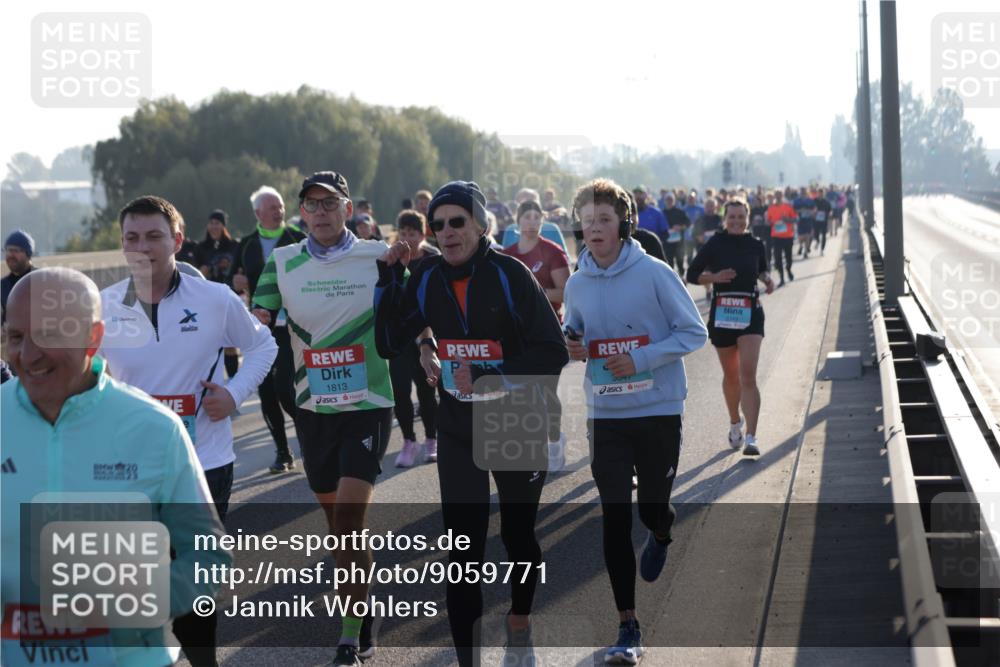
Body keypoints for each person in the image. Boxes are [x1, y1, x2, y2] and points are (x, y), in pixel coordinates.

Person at [375, 180, 568, 667]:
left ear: (481, 226)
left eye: (457, 222)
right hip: (459, 423)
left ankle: (519, 618)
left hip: (514, 415)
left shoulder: (511, 274)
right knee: (463, 551)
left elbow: (552, 352)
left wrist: (487, 373)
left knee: (518, 536)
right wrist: (387, 280)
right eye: (438, 225)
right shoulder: (424, 276)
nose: (446, 232)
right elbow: (386, 341)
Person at [1, 267, 231, 667]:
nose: (28, 355)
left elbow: (208, 557)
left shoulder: (154, 428)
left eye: (48, 335)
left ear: (93, 338)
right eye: (16, 337)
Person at [99, 195, 277, 667]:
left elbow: (264, 347)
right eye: (132, 237)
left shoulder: (214, 299)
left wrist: (234, 394)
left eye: (154, 236)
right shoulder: (104, 306)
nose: (143, 247)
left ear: (176, 240)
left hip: (205, 462)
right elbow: (89, 377)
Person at [252, 171, 394, 667]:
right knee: (338, 525)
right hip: (313, 408)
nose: (320, 212)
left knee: (352, 519)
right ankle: (363, 603)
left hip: (369, 403)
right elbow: (256, 326)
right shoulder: (282, 262)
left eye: (329, 203)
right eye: (311, 205)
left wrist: (426, 348)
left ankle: (350, 634)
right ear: (302, 213)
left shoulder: (379, 255)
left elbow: (417, 304)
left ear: (347, 207)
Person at [563, 178, 707, 665]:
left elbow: (694, 332)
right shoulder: (578, 281)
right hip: (606, 414)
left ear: (624, 224)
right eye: (587, 222)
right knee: (614, 518)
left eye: (604, 220)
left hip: (657, 409)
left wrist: (643, 359)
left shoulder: (656, 274)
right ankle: (627, 624)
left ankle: (663, 530)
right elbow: (574, 327)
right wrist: (572, 343)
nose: (595, 229)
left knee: (651, 510)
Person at [686, 199, 774, 456]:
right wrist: (714, 278)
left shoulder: (756, 244)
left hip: (750, 313)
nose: (736, 221)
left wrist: (768, 281)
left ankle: (752, 437)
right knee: (732, 376)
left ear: (748, 217)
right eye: (732, 217)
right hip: (723, 313)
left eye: (740, 216)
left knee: (748, 375)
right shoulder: (715, 243)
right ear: (725, 219)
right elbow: (692, 274)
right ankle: (735, 422)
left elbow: (762, 271)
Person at [231, 185, 306, 474]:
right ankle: (283, 451)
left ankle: (306, 435)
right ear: (258, 213)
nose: (279, 211)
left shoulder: (297, 239)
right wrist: (237, 285)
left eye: (281, 207)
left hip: (292, 327)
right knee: (266, 392)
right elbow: (231, 282)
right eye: (272, 207)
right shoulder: (247, 244)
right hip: (258, 328)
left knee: (286, 388)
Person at [502, 198, 571, 472]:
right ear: (517, 222)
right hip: (516, 336)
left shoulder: (552, 252)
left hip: (548, 332)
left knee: (546, 392)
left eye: (536, 217)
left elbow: (565, 292)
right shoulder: (507, 255)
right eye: (526, 217)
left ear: (542, 221)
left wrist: (532, 296)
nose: (531, 222)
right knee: (521, 393)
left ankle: (554, 439)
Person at [390, 209, 440, 467]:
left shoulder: (434, 259)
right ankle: (409, 441)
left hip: (427, 335)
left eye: (413, 233)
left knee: (426, 390)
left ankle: (432, 439)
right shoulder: (392, 259)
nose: (408, 238)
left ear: (423, 234)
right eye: (404, 233)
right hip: (400, 336)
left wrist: (427, 339)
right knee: (399, 391)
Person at [197, 209, 241, 377]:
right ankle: (213, 381)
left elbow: (239, 268)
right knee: (211, 344)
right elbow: (195, 274)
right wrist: (203, 271)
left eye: (217, 223)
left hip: (229, 298)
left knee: (229, 344)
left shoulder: (234, 246)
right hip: (207, 300)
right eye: (211, 223)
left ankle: (233, 380)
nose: (214, 226)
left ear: (223, 225)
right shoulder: (201, 248)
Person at [2, 229, 35, 325]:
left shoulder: (42, 280)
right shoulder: (2, 286)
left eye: (16, 251)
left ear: (28, 254)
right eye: (8, 250)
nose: (11, 255)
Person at [766, 189, 797, 286]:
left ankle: (788, 269)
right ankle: (782, 278)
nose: (778, 197)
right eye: (776, 195)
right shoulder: (771, 208)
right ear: (774, 196)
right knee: (777, 258)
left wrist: (787, 219)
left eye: (780, 195)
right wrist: (769, 223)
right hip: (776, 236)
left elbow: (795, 219)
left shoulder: (788, 207)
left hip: (788, 236)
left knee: (789, 257)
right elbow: (768, 221)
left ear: (782, 196)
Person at [661, 192, 690, 273]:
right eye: (667, 199)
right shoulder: (661, 213)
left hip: (679, 242)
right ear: (664, 200)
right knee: (669, 263)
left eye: (671, 199)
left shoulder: (680, 212)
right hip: (667, 242)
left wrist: (680, 227)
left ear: (674, 200)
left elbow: (688, 223)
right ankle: (671, 281)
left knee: (680, 262)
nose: (669, 201)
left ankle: (682, 277)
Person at [792, 186, 815, 258]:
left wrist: (810, 212)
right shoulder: (796, 201)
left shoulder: (810, 200)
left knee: (807, 235)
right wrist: (800, 211)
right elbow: (793, 210)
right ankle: (801, 245)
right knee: (800, 237)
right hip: (800, 220)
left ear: (806, 192)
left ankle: (805, 252)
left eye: (804, 192)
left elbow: (814, 209)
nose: (803, 193)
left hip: (808, 220)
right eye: (802, 192)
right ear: (800, 192)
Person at [813, 187, 832, 255]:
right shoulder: (814, 201)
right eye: (819, 193)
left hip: (824, 220)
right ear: (817, 193)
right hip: (816, 220)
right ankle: (817, 241)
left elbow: (830, 210)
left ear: (823, 194)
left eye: (821, 193)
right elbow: (811, 209)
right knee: (816, 234)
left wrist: (829, 215)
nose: (820, 194)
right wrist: (814, 212)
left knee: (824, 235)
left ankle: (822, 249)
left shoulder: (826, 202)